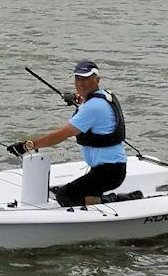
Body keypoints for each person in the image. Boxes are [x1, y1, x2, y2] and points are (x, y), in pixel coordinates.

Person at [7, 60, 127, 206]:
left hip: (109, 172)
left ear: (97, 80)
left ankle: (114, 200)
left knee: (65, 196)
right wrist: (76, 98)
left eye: (86, 79)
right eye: (78, 79)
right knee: (63, 190)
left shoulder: (93, 107)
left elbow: (60, 135)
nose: (81, 83)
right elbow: (88, 100)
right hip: (110, 168)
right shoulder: (104, 96)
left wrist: (28, 145)